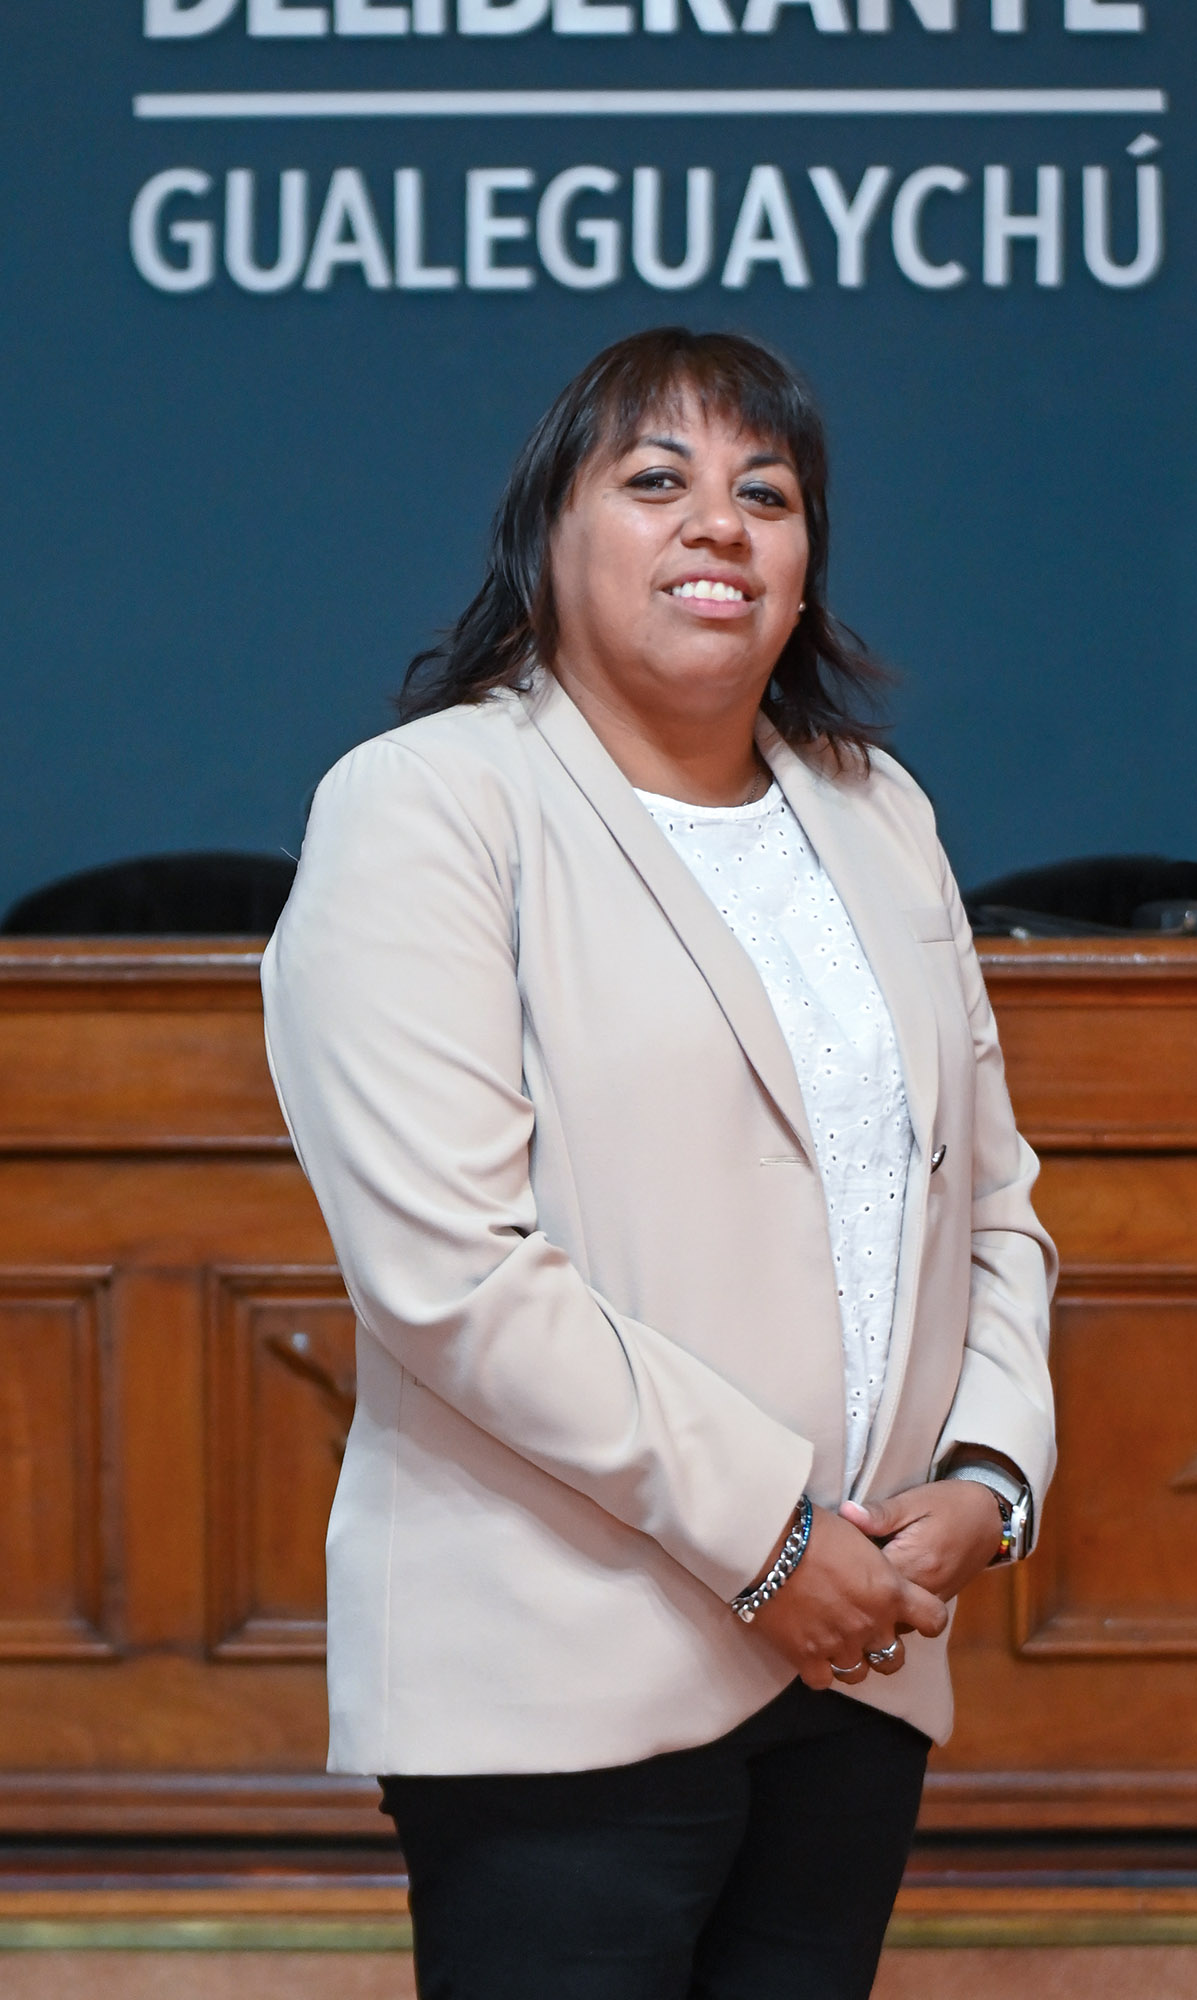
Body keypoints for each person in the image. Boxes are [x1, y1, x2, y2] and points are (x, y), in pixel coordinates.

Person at [261, 326, 1057, 2000]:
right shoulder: (428, 806)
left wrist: (988, 1479)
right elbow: (451, 1271)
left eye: (767, 494)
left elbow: (990, 1198)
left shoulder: (875, 810)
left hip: (859, 1657)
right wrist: (772, 1541)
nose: (720, 525)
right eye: (656, 481)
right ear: (544, 538)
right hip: (564, 1659)